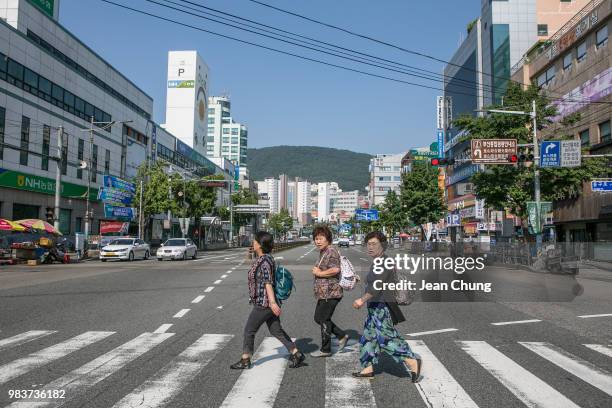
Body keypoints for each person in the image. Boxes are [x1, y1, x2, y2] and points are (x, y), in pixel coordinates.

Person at [351, 231, 422, 382]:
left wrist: (361, 300)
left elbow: (377, 287)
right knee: (369, 337)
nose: (370, 247)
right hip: (375, 306)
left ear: (383, 245)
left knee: (386, 338)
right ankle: (367, 368)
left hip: (382, 306)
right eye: (368, 244)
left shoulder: (384, 262)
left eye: (374, 244)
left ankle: (412, 360)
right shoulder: (378, 261)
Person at [230, 231, 305, 369]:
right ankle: (296, 353)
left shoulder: (264, 261)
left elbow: (268, 282)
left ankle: (245, 359)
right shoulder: (267, 258)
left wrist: (272, 303)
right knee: (276, 330)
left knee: (249, 330)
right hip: (267, 302)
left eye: (255, 241)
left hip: (264, 303)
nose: (253, 243)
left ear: (259, 244)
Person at [311, 225, 349, 358]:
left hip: (331, 292)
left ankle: (326, 349)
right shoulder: (324, 251)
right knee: (318, 318)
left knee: (324, 319)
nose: (318, 241)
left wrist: (319, 273)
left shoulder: (331, 251)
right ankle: (341, 335)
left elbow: (335, 270)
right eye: (316, 238)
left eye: (321, 238)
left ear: (328, 239)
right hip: (324, 293)